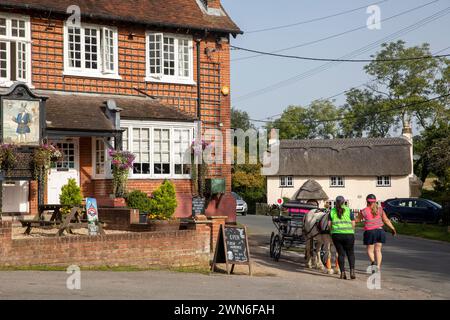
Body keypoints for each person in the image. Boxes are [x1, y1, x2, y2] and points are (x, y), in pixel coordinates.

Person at [357, 194, 397, 273]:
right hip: (380, 231)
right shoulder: (380, 209)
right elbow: (386, 220)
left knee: (370, 250)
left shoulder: (364, 211)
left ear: (367, 201)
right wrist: (393, 228)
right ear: (375, 201)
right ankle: (378, 267)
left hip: (370, 232)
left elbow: (357, 220)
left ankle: (373, 262)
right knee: (378, 250)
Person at [328, 196, 356, 280]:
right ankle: (352, 271)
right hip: (349, 235)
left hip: (336, 235)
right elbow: (353, 224)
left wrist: (331, 232)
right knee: (350, 253)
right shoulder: (348, 210)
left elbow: (329, 225)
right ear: (344, 202)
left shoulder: (332, 211)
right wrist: (352, 231)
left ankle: (342, 273)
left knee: (341, 254)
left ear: (336, 202)